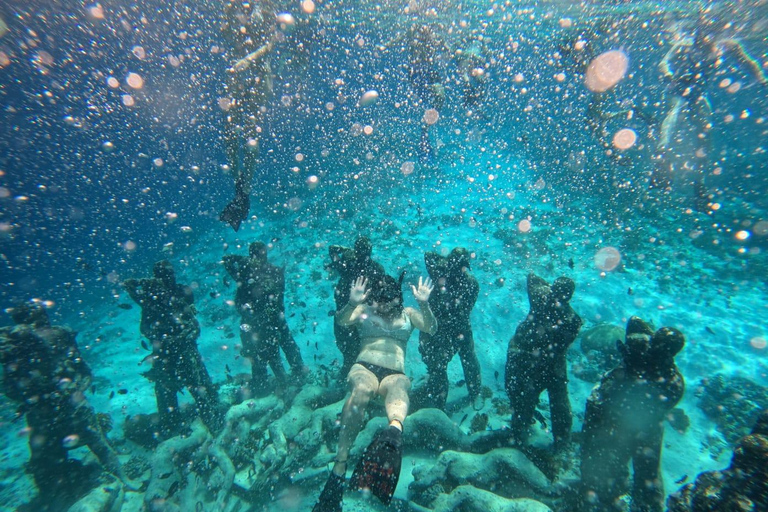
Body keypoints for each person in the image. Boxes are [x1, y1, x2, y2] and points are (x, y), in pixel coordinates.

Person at [313, 273, 436, 511]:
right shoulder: (365, 309)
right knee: (361, 389)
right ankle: (340, 464)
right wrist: (352, 301)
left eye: (387, 300)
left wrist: (424, 303)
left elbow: (431, 327)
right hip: (364, 368)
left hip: (395, 374)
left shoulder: (408, 314)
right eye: (378, 300)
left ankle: (393, 435)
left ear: (397, 298)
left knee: (400, 386)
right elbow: (342, 321)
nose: (382, 305)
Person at [0, 302, 136, 510]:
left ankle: (67, 493)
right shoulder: (32, 342)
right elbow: (81, 366)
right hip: (64, 403)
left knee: (64, 450)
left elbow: (11, 388)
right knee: (92, 442)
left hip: (49, 408)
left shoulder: (19, 346)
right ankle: (119, 480)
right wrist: (77, 385)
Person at [651, 15, 768, 196]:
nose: (701, 40)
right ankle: (661, 157)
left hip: (698, 94)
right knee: (673, 114)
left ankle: (699, 181)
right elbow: (663, 63)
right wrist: (669, 76)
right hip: (678, 88)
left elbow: (749, 64)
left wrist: (762, 80)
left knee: (704, 132)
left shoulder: (727, 46)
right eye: (699, 36)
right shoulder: (685, 45)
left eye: (706, 36)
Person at [578, 316, 685, 512]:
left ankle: (604, 499)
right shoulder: (674, 380)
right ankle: (639, 503)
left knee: (610, 463)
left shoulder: (640, 352)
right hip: (647, 428)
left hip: (620, 423)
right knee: (647, 475)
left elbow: (634, 322)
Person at [123, 260, 221, 435]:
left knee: (197, 384)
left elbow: (193, 325)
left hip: (182, 350)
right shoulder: (150, 301)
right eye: (164, 275)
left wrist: (178, 339)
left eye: (170, 274)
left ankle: (212, 419)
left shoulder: (177, 295)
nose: (170, 278)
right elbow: (144, 325)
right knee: (167, 390)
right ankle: (173, 427)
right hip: (166, 353)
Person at [504, 273, 582, 451]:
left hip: (545, 364)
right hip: (541, 361)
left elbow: (559, 348)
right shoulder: (571, 317)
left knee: (549, 402)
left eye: (559, 294)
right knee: (540, 401)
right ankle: (526, 439)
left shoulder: (569, 318)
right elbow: (532, 277)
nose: (555, 298)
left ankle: (527, 439)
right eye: (555, 291)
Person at [219, 0, 278, 231]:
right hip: (237, 80)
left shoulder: (266, 8)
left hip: (258, 79)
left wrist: (248, 60)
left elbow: (271, 44)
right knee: (230, 137)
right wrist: (230, 14)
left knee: (251, 138)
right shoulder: (234, 9)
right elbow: (227, 37)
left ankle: (244, 193)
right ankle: (239, 190)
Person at [223, 241, 306, 392]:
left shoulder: (248, 273)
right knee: (275, 350)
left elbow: (227, 260)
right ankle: (289, 379)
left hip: (265, 318)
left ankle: (276, 383)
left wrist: (243, 260)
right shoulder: (255, 272)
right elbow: (227, 260)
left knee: (271, 351)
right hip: (267, 318)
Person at [411, 247, 482, 410]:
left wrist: (445, 262)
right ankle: (440, 404)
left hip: (456, 327)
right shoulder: (441, 274)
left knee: (465, 360)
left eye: (462, 267)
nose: (460, 271)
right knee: (439, 367)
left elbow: (466, 309)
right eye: (459, 266)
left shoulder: (465, 282)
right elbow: (427, 254)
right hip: (441, 328)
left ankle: (473, 393)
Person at [327, 237, 386, 379]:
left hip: (349, 313)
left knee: (349, 350)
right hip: (361, 315)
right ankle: (358, 376)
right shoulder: (375, 268)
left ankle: (351, 377)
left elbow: (332, 250)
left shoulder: (348, 265)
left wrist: (345, 250)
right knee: (358, 350)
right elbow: (381, 293)